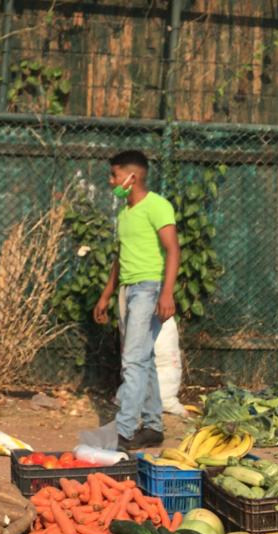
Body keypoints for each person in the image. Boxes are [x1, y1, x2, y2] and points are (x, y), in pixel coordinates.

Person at [92, 150, 180, 452]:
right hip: (128, 290)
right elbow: (121, 258)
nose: (111, 181)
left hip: (148, 289)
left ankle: (124, 430)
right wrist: (106, 295)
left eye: (114, 175)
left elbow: (173, 249)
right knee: (144, 359)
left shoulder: (157, 206)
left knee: (132, 360)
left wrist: (166, 292)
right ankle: (153, 427)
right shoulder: (125, 213)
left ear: (132, 177)